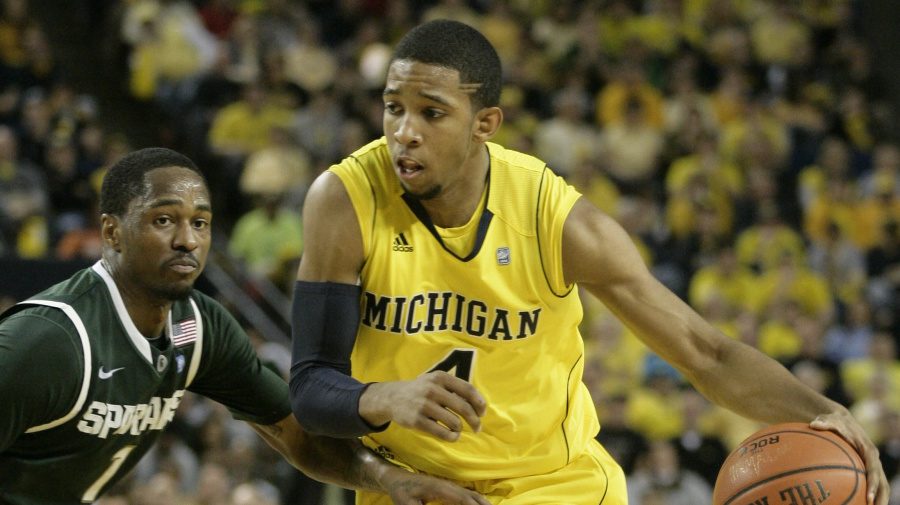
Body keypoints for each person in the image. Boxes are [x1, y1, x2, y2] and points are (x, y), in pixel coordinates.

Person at [289, 19, 888, 505]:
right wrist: (382, 398)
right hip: (416, 487)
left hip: (551, 485)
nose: (404, 133)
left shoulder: (560, 222)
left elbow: (706, 354)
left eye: (432, 112)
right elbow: (311, 389)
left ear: (486, 125)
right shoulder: (344, 200)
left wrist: (827, 412)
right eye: (393, 108)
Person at [0, 147, 491, 505]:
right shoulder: (50, 343)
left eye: (201, 222)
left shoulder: (198, 328)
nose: (188, 241)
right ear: (112, 233)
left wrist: (383, 477)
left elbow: (295, 433)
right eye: (164, 221)